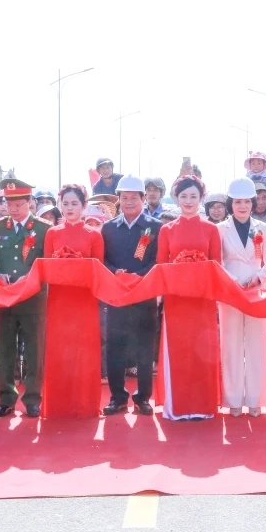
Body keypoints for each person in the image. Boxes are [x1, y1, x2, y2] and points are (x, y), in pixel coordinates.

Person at [154, 174, 222, 419]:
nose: (189, 201)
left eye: (193, 196)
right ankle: (178, 407)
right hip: (177, 299)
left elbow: (216, 264)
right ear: (176, 198)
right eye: (183, 196)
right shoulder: (167, 230)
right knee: (179, 350)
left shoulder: (211, 229)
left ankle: (202, 406)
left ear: (201, 198)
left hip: (203, 299)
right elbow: (161, 264)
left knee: (202, 350)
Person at [40, 184, 104, 418]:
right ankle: (59, 405)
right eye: (65, 203)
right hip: (59, 300)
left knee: (84, 351)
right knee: (59, 349)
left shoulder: (94, 235)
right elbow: (47, 267)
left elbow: (98, 270)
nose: (69, 208)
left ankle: (85, 404)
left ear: (84, 206)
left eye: (74, 203)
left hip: (85, 300)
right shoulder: (52, 233)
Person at [0, 179, 50, 419]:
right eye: (9, 203)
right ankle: (5, 399)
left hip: (33, 297)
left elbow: (47, 262)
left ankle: (33, 398)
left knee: (34, 350)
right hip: (4, 296)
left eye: (18, 204)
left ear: (30, 202)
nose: (13, 209)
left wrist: (30, 277)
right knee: (4, 349)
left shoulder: (44, 229)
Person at [101, 175, 162, 416]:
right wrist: (115, 272)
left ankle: (143, 397)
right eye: (124, 198)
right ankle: (117, 397)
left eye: (133, 198)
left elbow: (159, 260)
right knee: (115, 347)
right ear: (118, 199)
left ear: (143, 199)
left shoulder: (155, 227)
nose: (128, 202)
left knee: (144, 348)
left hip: (144, 295)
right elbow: (102, 259)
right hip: (116, 295)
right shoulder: (108, 228)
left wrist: (139, 275)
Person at [217, 178, 266, 417]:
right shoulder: (220, 229)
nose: (242, 206)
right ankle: (232, 400)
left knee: (256, 344)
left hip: (256, 292)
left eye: (247, 202)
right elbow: (217, 261)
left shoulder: (262, 228)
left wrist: (258, 277)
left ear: (253, 203)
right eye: (237, 202)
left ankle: (255, 399)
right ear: (231, 204)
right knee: (230, 344)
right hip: (230, 292)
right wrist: (232, 280)